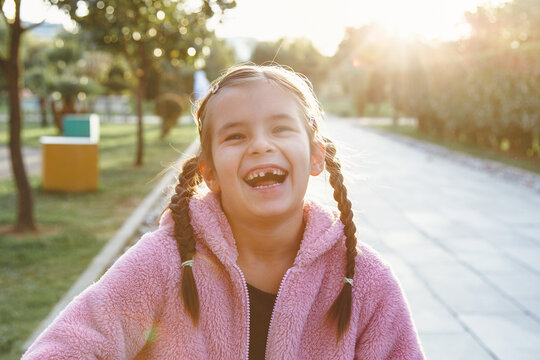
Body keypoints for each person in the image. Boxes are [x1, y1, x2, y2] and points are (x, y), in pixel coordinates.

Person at [23, 65, 424, 359]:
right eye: (236, 135)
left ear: (317, 155)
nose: (260, 145)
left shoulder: (365, 283)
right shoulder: (164, 263)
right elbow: (62, 348)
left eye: (281, 128)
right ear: (209, 172)